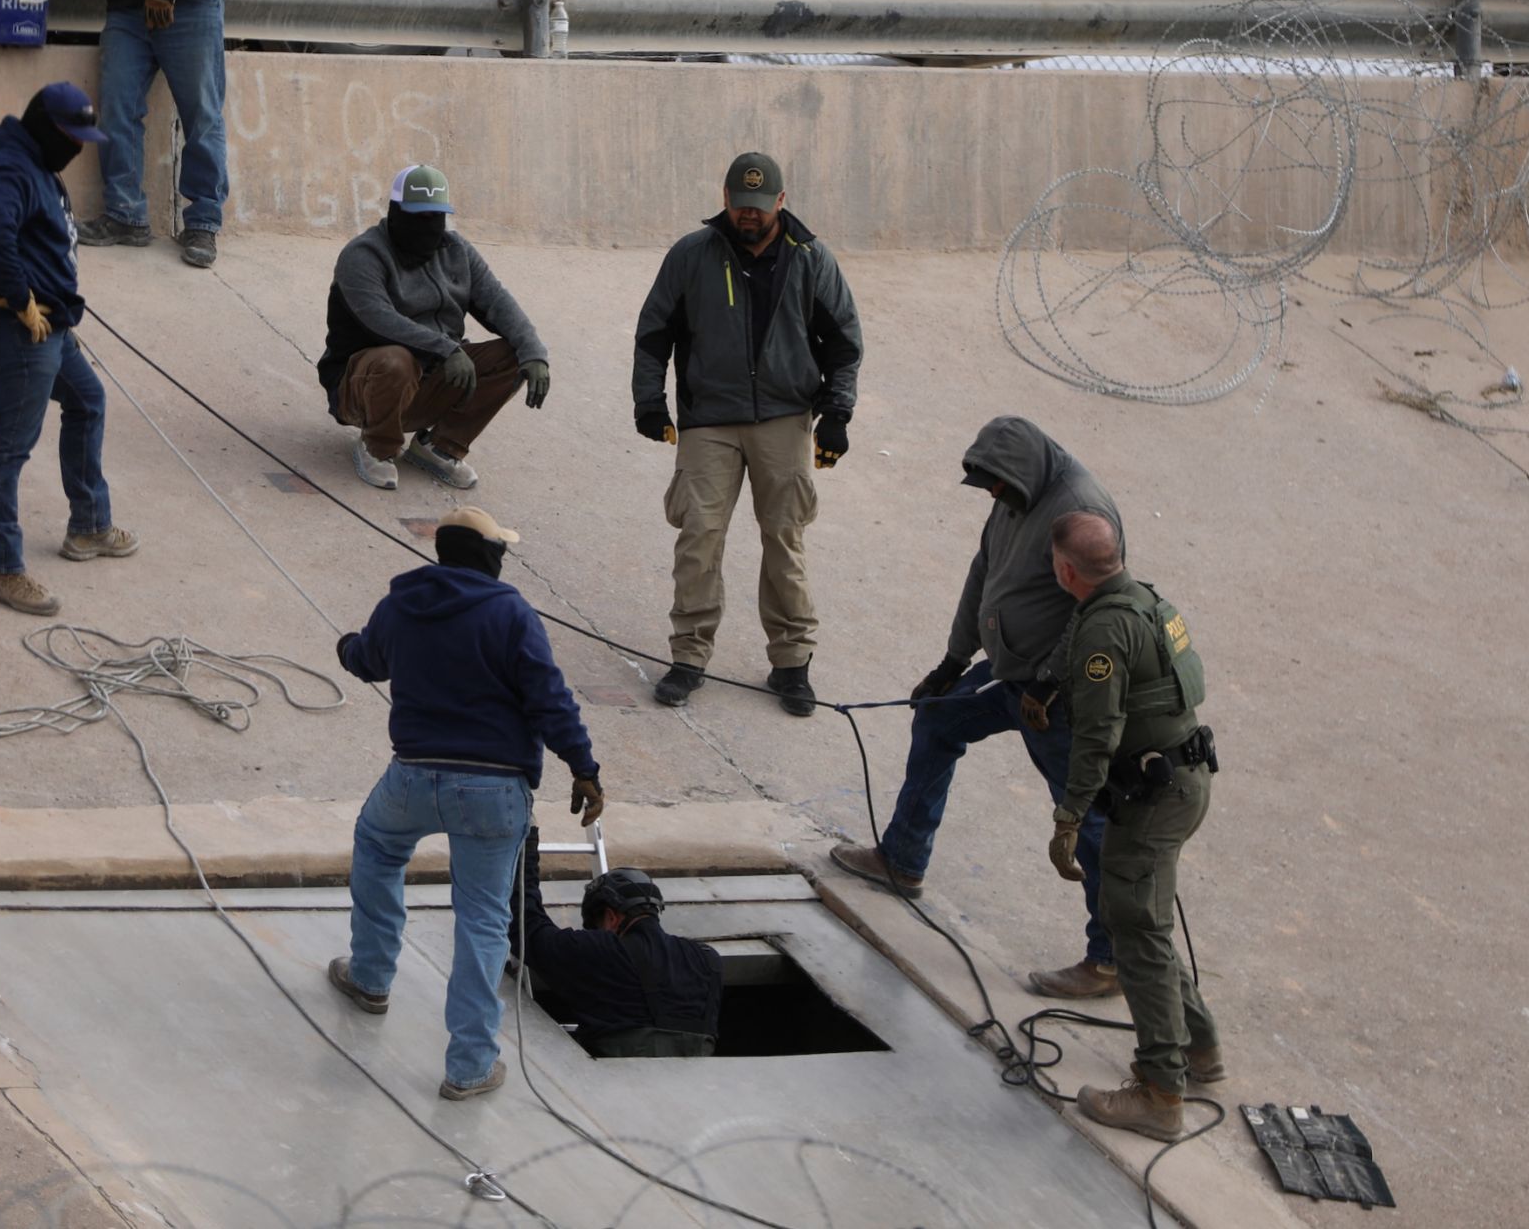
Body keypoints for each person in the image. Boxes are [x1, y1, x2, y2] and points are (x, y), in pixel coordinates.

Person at [828, 417, 1119, 997]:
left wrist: (1049, 682)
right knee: (938, 717)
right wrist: (952, 661)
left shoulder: (1082, 510)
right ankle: (903, 859)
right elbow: (984, 570)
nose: (992, 497)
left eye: (997, 487)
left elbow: (1097, 612)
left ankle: (1109, 960)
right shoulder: (1014, 492)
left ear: (1023, 475)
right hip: (1009, 673)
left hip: (1055, 697)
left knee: (1086, 814)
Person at [327, 506, 603, 1100]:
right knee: (482, 918)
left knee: (377, 848)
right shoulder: (511, 613)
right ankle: (470, 1066)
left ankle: (371, 978)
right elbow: (550, 701)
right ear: (488, 558)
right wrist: (584, 768)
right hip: (494, 792)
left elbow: (367, 660)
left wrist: (346, 647)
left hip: (413, 778)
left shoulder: (401, 603)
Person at [631, 151, 863, 716]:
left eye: (760, 207)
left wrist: (837, 412)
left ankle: (791, 663)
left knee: (784, 538)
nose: (749, 217)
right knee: (698, 534)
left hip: (784, 417)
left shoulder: (811, 259)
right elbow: (654, 332)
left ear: (781, 202)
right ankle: (688, 656)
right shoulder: (692, 255)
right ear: (726, 200)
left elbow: (844, 341)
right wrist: (649, 402)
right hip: (709, 417)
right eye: (740, 206)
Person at [1045, 511, 1223, 1141]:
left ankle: (1160, 1093)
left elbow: (1097, 734)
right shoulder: (1148, 600)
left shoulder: (1105, 632)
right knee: (1143, 921)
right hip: (1182, 779)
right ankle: (1200, 1048)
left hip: (1151, 798)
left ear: (1066, 570)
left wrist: (1069, 817)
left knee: (1136, 933)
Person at [0, 82, 138, 617]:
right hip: (15, 329)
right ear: (48, 128)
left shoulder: (35, 162)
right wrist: (21, 302)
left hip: (50, 328)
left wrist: (54, 311)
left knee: (87, 401)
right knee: (9, 445)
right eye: (73, 137)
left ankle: (88, 527)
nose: (79, 148)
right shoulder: (7, 169)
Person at [317, 165, 550, 493]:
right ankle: (377, 445)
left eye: (435, 216)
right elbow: (379, 319)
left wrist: (534, 352)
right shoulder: (362, 256)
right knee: (396, 359)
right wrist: (445, 348)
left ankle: (440, 446)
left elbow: (498, 301)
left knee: (513, 354)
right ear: (395, 212)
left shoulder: (457, 251)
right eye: (418, 216)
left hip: (434, 378)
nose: (428, 226)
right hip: (363, 389)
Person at [507, 830, 722, 1057]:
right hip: (698, 1088)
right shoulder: (708, 960)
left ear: (610, 917)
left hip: (617, 1083)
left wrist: (525, 846)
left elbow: (527, 929)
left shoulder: (604, 950)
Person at [76, 0, 230, 268]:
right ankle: (125, 214)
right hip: (127, 6)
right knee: (117, 108)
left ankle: (203, 223)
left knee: (202, 117)